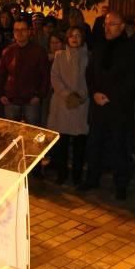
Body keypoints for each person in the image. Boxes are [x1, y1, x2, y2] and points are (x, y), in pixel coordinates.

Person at [81, 11, 135, 200]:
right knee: (94, 144)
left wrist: (111, 96)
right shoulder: (99, 46)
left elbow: (133, 78)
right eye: (105, 24)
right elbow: (90, 73)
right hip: (98, 106)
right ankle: (92, 178)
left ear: (122, 26)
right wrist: (95, 93)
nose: (107, 28)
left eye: (112, 24)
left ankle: (120, 184)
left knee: (119, 147)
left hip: (119, 107)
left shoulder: (131, 49)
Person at [47, 26, 89, 186]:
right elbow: (55, 77)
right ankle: (62, 173)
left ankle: (77, 176)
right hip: (63, 103)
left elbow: (90, 79)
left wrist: (81, 95)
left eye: (78, 36)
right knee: (62, 142)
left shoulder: (87, 57)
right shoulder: (60, 55)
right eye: (72, 36)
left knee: (79, 143)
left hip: (80, 104)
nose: (74, 38)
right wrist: (66, 94)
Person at [0, 16, 50, 124]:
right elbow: (1, 74)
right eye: (16, 30)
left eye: (23, 30)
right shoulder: (8, 51)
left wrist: (39, 95)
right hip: (11, 99)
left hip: (31, 100)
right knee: (11, 132)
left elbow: (45, 75)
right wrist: (1, 94)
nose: (19, 33)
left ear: (29, 31)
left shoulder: (39, 51)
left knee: (32, 133)